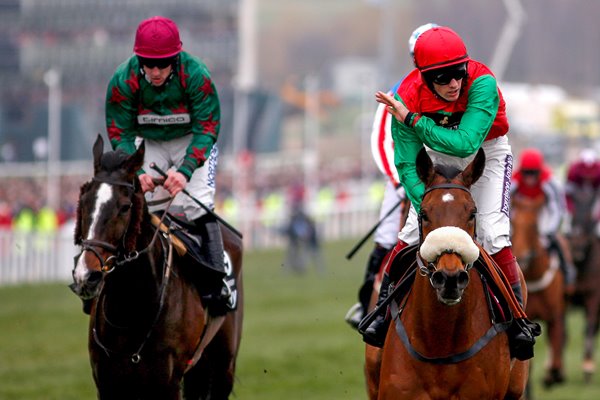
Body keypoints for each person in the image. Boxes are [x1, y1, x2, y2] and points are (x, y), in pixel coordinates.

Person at [360, 26, 540, 359]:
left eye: (458, 74)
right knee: (411, 232)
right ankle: (381, 316)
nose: (454, 84)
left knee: (492, 233)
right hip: (436, 156)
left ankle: (518, 322)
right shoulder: (406, 96)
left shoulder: (483, 83)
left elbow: (466, 143)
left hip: (486, 152)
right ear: (424, 77)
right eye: (442, 78)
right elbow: (407, 166)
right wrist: (427, 210)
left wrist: (414, 120)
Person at [105, 16, 234, 317]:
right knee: (140, 205)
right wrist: (135, 171)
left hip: (192, 139)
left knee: (198, 204)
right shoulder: (123, 80)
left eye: (162, 64)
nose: (155, 71)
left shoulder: (196, 74)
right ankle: (122, 280)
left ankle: (217, 283)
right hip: (149, 141)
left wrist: (186, 170)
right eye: (148, 64)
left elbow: (207, 126)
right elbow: (119, 133)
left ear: (176, 57)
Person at [345, 23, 437, 329]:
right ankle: (365, 306)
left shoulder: (455, 87)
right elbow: (382, 140)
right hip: (403, 176)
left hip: (446, 178)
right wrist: (398, 179)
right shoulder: (398, 92)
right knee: (386, 238)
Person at [512, 148, 576, 293]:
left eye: (533, 173)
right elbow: (504, 205)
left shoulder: (550, 182)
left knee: (555, 240)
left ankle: (568, 274)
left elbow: (558, 208)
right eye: (526, 172)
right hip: (521, 213)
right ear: (521, 171)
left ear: (540, 171)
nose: (529, 177)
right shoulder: (513, 181)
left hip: (544, 212)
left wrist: (549, 231)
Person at [565, 148, 600, 221]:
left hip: (593, 196)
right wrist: (570, 209)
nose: (588, 177)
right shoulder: (573, 172)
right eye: (585, 175)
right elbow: (566, 193)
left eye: (591, 176)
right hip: (577, 195)